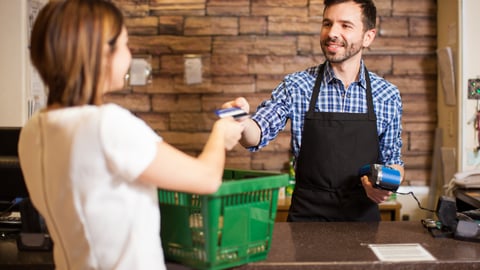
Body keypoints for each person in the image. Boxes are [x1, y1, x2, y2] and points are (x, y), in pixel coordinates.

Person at [17, 0, 244, 269]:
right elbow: (206, 179)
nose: (130, 52)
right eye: (124, 44)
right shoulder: (106, 125)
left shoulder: (33, 130)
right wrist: (221, 134)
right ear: (101, 53)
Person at [222, 0, 404, 222]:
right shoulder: (297, 86)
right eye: (327, 24)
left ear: (368, 36)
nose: (332, 33)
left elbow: (394, 161)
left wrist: (385, 187)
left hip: (362, 221)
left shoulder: (386, 95)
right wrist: (241, 119)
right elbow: (256, 134)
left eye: (345, 25)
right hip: (305, 220)